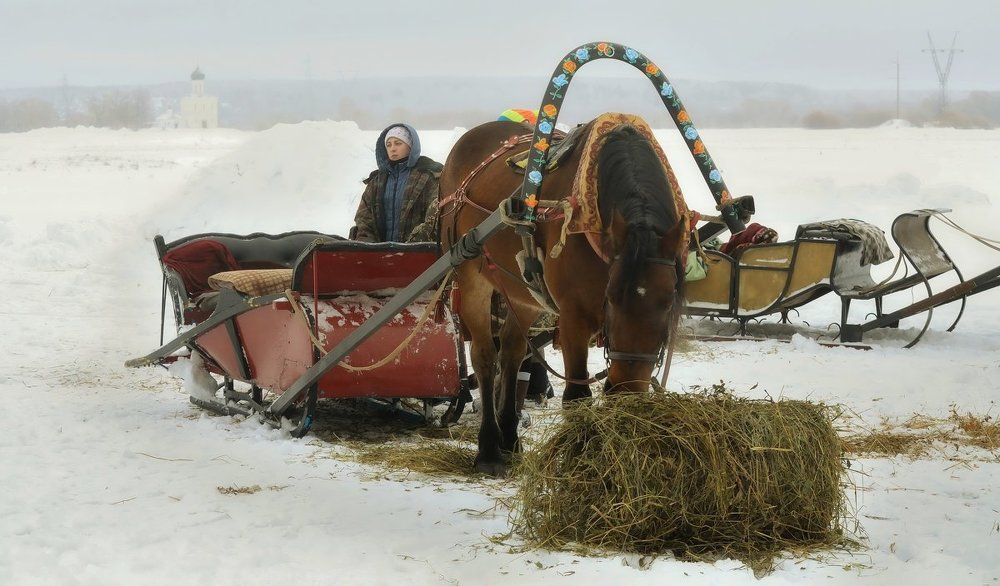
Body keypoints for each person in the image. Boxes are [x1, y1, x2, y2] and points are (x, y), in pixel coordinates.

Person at [350, 123, 442, 243]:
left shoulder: (428, 176)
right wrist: (370, 248)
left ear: (411, 146)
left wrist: (412, 247)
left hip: (419, 253)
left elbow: (435, 216)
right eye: (388, 145)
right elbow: (364, 219)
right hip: (378, 255)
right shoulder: (376, 181)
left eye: (398, 143)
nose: (392, 148)